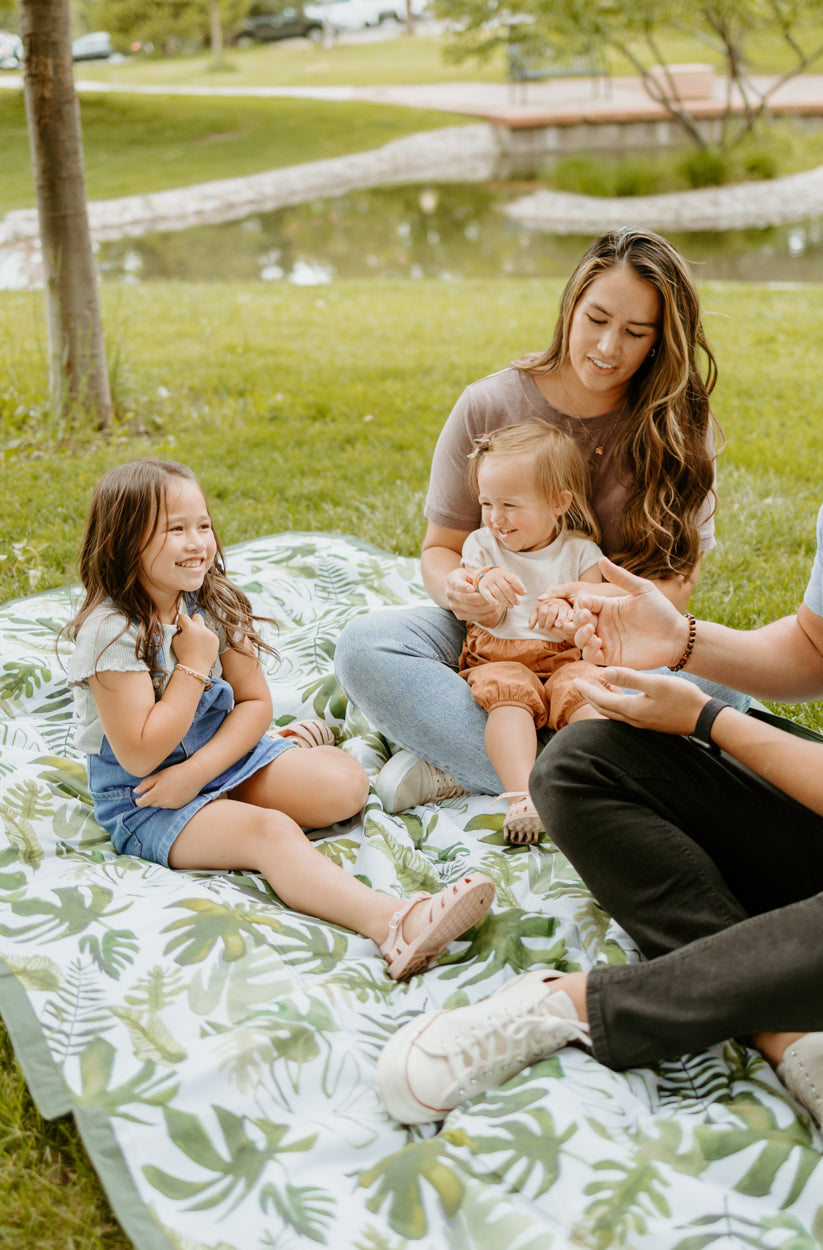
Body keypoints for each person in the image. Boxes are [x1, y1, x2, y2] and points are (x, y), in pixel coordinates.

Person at [374, 252, 823, 1181]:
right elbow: (816, 652)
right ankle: (799, 1030)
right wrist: (682, 642)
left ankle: (576, 1006)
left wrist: (706, 719)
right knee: (583, 758)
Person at [335, 227, 745, 814]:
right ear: (570, 307)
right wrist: (462, 591)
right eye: (596, 319)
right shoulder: (488, 405)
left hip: (618, 643)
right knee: (365, 646)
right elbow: (441, 548)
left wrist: (608, 631)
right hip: (497, 634)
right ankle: (587, 778)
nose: (608, 347)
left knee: (729, 687)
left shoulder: (678, 425)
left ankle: (481, 768)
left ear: (661, 341)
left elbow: (679, 577)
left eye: (635, 332)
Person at [64, 458, 494, 982]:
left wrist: (202, 773)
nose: (198, 541)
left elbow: (253, 703)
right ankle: (395, 925)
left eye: (202, 524)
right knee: (271, 832)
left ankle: (282, 751)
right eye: (175, 529)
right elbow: (139, 752)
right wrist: (195, 665)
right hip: (148, 799)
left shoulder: (212, 603)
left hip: (217, 763)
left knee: (346, 784)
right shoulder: (111, 633)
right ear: (119, 544)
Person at [458, 423, 609, 843]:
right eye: (487, 502)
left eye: (509, 504)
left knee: (587, 693)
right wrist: (483, 582)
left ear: (559, 502)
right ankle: (522, 796)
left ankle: (597, 789)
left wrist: (571, 617)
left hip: (565, 658)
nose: (495, 517)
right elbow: (468, 581)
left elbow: (592, 613)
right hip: (499, 656)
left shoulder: (581, 552)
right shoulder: (483, 545)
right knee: (508, 695)